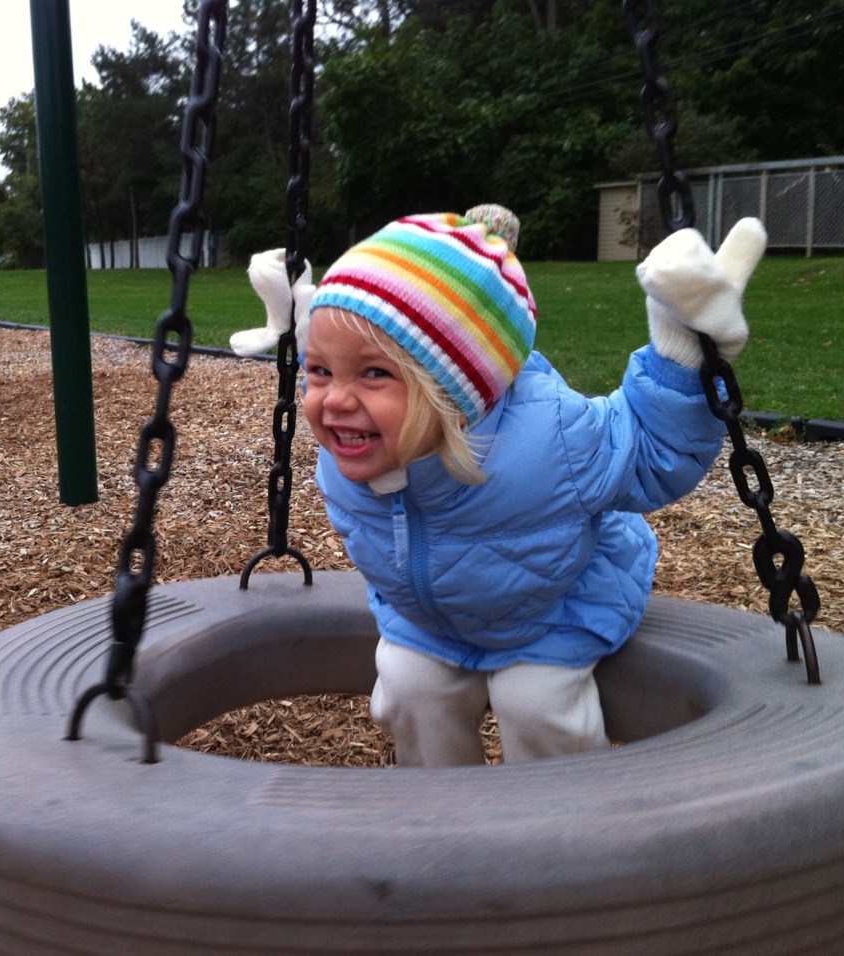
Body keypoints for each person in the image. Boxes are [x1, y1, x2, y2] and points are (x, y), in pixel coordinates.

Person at [235, 207, 768, 766]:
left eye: (375, 373)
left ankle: (563, 811)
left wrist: (685, 354)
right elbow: (342, 344)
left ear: (454, 390)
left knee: (535, 704)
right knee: (408, 686)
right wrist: (306, 327)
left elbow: (651, 452)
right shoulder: (353, 446)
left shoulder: (550, 438)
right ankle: (444, 803)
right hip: (430, 623)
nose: (335, 399)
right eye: (321, 372)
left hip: (554, 609)